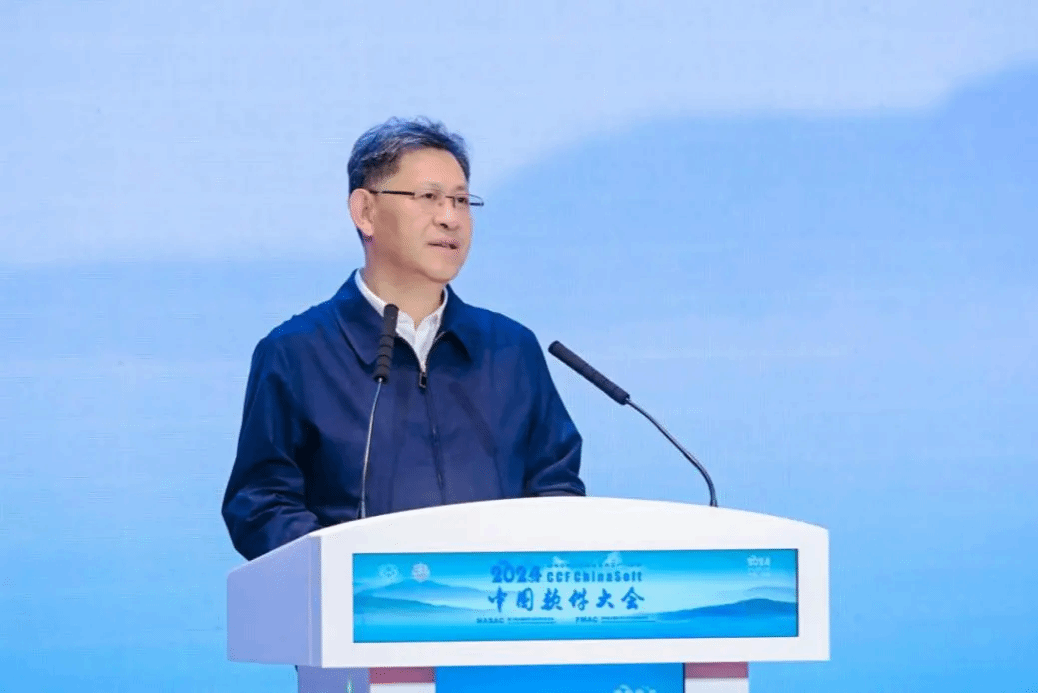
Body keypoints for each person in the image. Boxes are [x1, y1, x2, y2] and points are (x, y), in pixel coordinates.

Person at [222, 117, 585, 561]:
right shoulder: (297, 353)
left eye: (461, 200)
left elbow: (556, 487)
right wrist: (346, 570)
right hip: (360, 600)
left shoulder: (510, 350)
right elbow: (261, 505)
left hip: (493, 598)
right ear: (365, 212)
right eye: (429, 197)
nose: (450, 218)